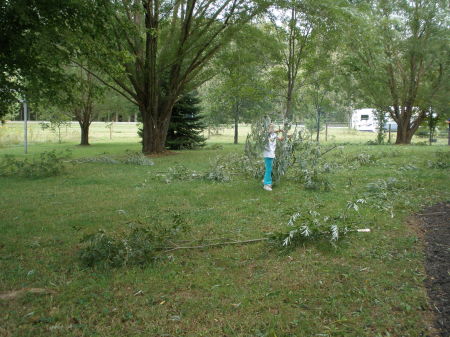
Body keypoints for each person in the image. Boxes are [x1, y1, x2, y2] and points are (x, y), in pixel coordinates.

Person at [263, 123, 284, 191]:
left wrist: (286, 134)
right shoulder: (265, 135)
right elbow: (268, 133)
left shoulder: (274, 134)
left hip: (272, 154)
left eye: (273, 128)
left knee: (269, 169)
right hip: (267, 154)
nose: (272, 129)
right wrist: (278, 130)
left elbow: (280, 139)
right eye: (271, 128)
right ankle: (266, 184)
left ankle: (265, 180)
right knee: (269, 169)